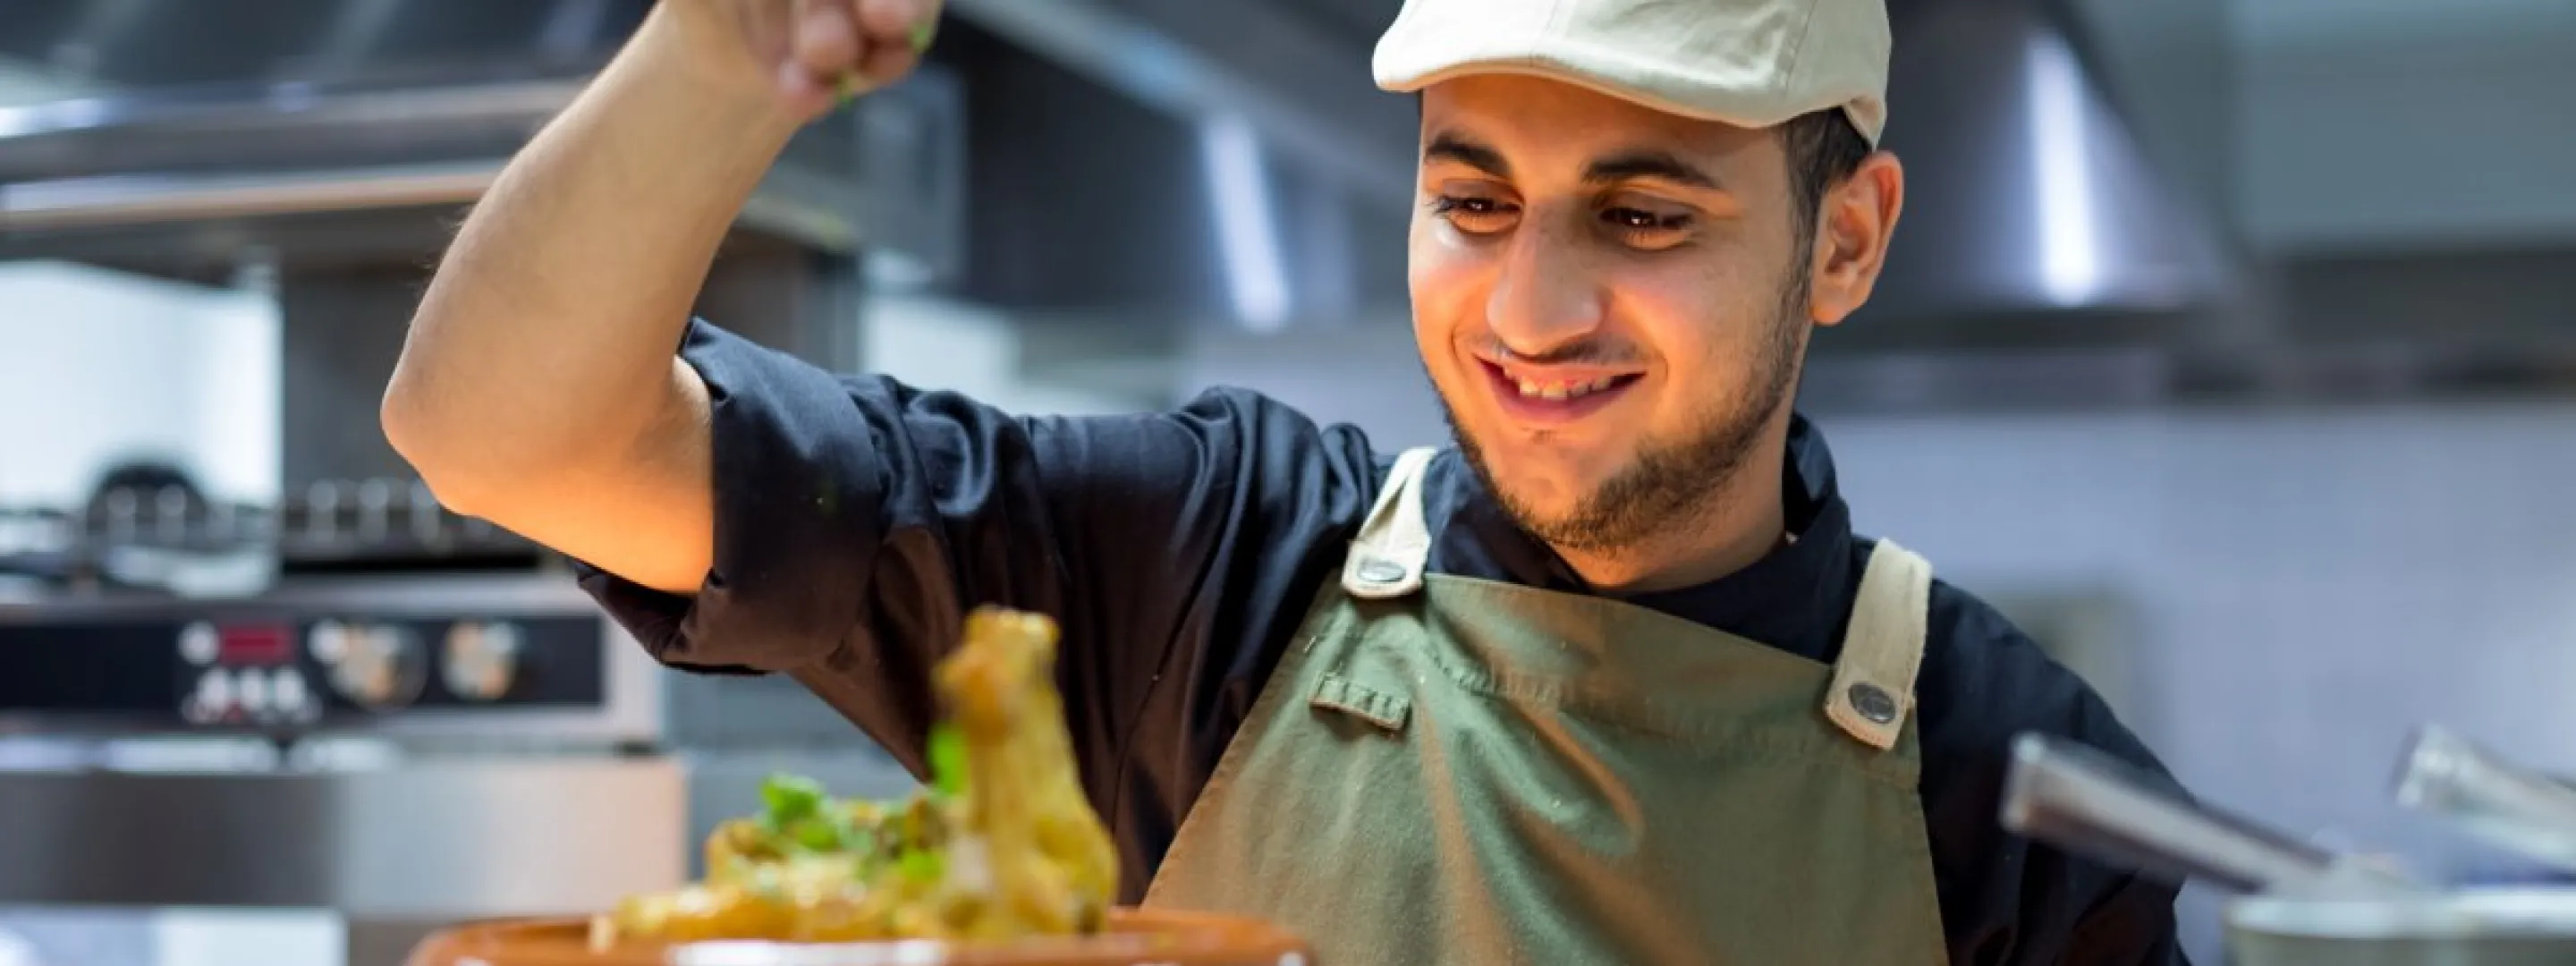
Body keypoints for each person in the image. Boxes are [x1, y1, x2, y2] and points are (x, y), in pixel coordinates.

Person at [382, 0, 2195, 962]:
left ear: (1846, 239)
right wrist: (710, 60)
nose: (1532, 310)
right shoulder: (1203, 570)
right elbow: (505, 439)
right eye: (1472, 201)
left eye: (1645, 216)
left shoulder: (2018, 790)